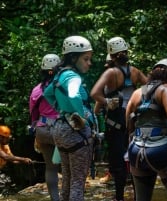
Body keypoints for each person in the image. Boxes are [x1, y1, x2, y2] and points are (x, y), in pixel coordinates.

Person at [90, 36, 147, 201]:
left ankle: (119, 197)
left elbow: (95, 94)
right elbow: (150, 87)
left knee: (118, 162)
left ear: (111, 55)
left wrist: (107, 102)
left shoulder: (111, 73)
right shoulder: (135, 71)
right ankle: (139, 196)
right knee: (135, 158)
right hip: (134, 120)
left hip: (115, 122)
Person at [125, 58, 167, 201]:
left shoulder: (137, 92)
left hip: (136, 151)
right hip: (162, 151)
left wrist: (132, 136)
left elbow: (128, 118)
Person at [43, 35, 96, 201]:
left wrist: (61, 109)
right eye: (86, 59)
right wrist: (82, 116)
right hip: (76, 131)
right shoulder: (73, 77)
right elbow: (73, 93)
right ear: (73, 57)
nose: (89, 63)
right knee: (78, 182)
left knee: (67, 178)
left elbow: (47, 93)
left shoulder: (59, 75)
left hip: (60, 128)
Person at [29, 54, 61, 201]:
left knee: (50, 167)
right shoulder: (61, 87)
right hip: (60, 129)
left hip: (42, 130)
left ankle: (55, 199)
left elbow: (33, 114)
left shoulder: (37, 90)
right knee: (67, 166)